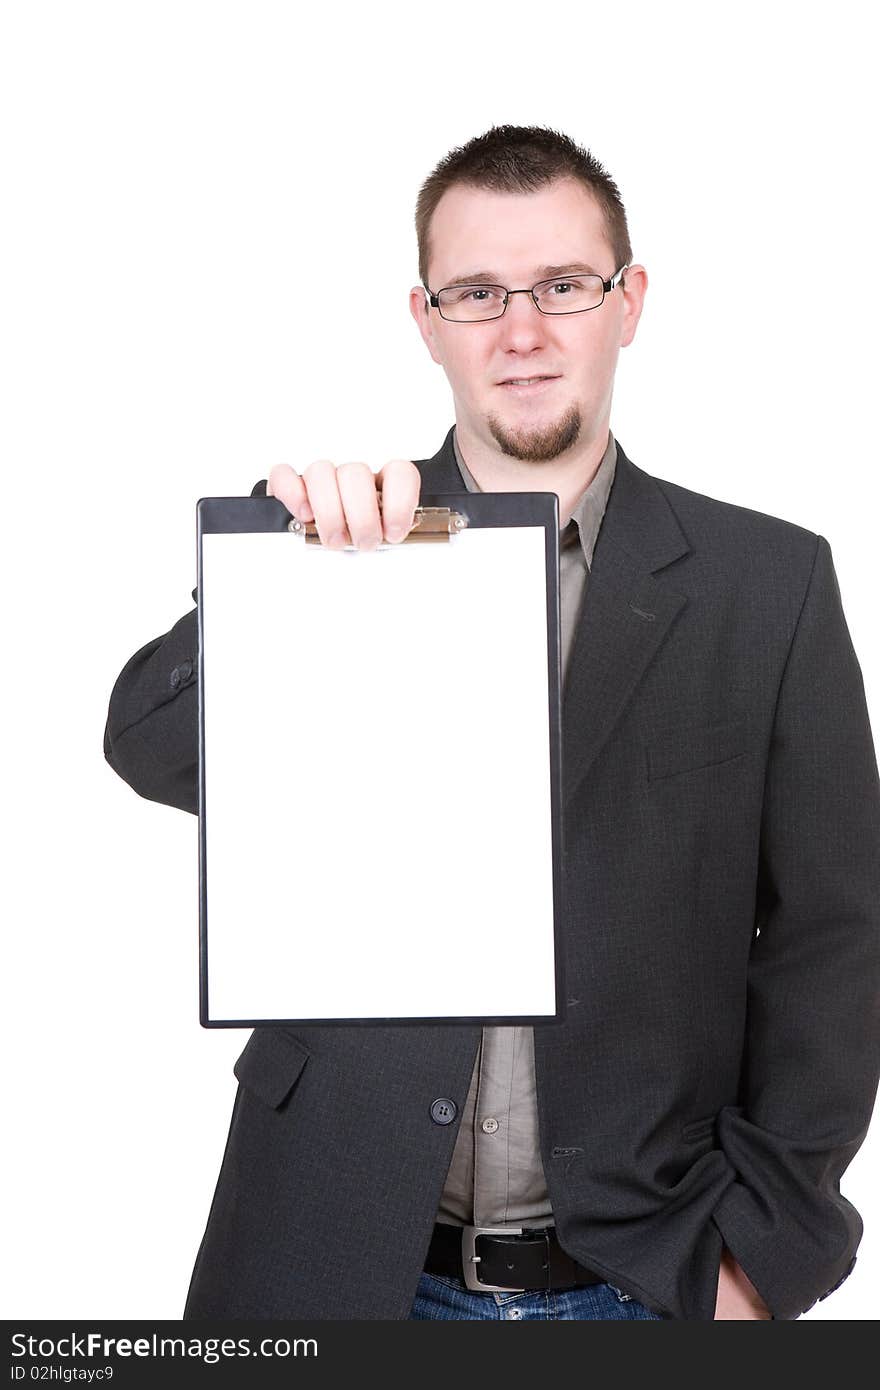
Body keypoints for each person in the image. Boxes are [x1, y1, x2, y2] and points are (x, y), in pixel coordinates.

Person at [103, 124, 880, 1321]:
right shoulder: (333, 558)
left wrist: (760, 1258)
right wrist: (275, 570)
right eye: (477, 294)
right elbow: (148, 747)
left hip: (642, 1274)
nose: (522, 332)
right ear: (426, 319)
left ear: (628, 304)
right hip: (325, 1253)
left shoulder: (767, 584)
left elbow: (838, 936)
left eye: (564, 285)